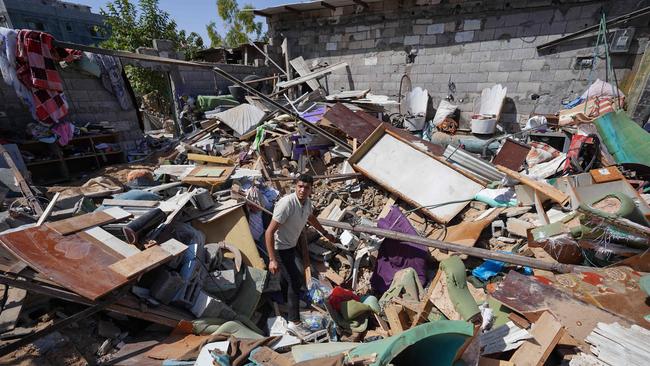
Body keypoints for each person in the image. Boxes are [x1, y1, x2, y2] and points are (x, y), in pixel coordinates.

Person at [264, 174, 335, 336]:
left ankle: (280, 300)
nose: (302, 190)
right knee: (295, 281)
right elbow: (269, 232)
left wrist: (325, 233)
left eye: (306, 187)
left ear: (311, 189)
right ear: (295, 186)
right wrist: (272, 259)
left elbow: (311, 218)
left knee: (288, 278)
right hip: (279, 248)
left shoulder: (307, 203)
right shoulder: (287, 204)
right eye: (300, 186)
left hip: (291, 244)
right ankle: (293, 322)